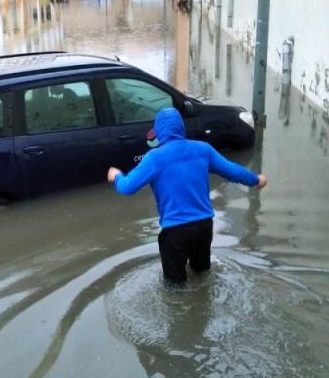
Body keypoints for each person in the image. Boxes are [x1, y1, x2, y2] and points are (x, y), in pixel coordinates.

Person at [107, 108, 267, 284]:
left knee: (174, 288)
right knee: (202, 276)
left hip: (175, 232)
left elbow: (127, 187)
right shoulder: (202, 150)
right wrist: (255, 180)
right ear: (181, 128)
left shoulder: (154, 158)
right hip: (204, 227)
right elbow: (232, 171)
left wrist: (116, 176)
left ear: (159, 133)